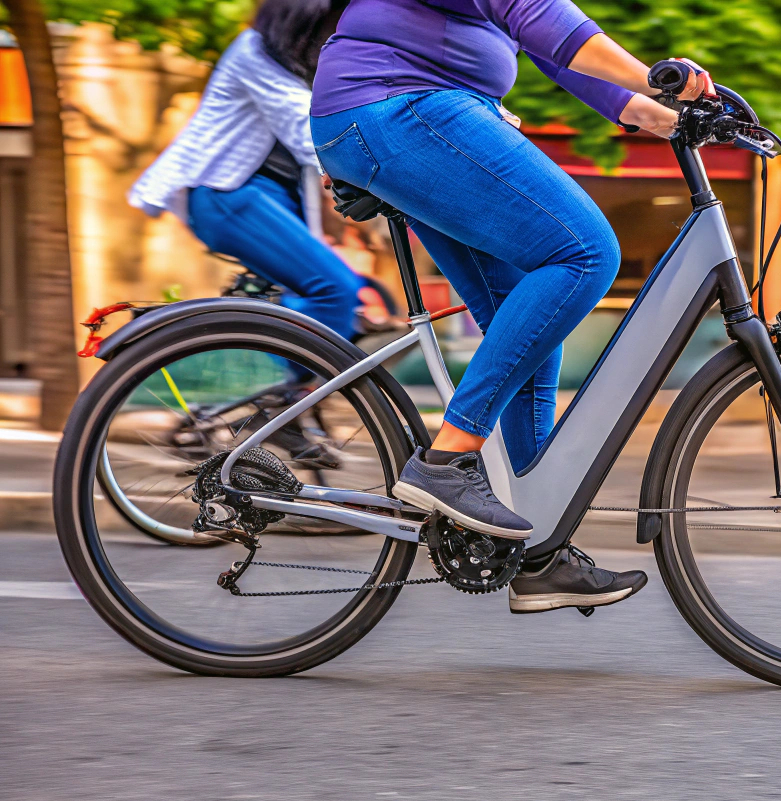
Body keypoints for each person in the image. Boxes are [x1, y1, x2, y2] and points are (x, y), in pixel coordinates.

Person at [309, 0, 711, 612]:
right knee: (585, 253)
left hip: (400, 116)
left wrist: (655, 115)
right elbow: (548, 22)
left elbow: (561, 58)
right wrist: (658, 77)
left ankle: (539, 551)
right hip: (400, 109)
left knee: (530, 327)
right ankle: (450, 455)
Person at [130, 0, 365, 465]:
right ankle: (274, 405)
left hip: (262, 201)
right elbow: (306, 129)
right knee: (334, 290)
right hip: (226, 194)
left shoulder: (309, 62)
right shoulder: (256, 50)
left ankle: (265, 387)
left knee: (347, 299)